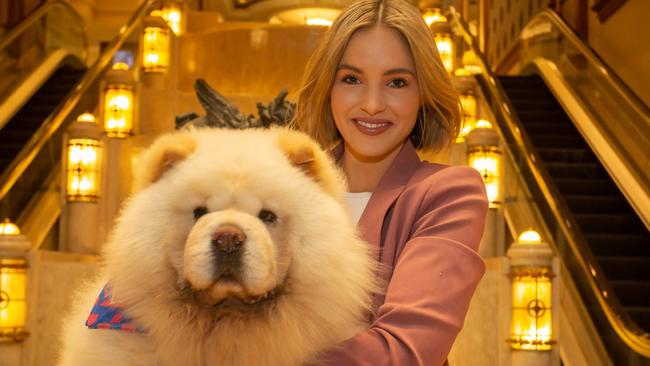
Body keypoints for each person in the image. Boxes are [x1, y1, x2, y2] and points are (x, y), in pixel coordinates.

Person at [290, 0, 489, 364]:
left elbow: (405, 351)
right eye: (352, 79)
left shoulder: (449, 194)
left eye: (396, 82)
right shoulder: (287, 188)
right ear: (328, 88)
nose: (372, 104)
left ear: (422, 95)